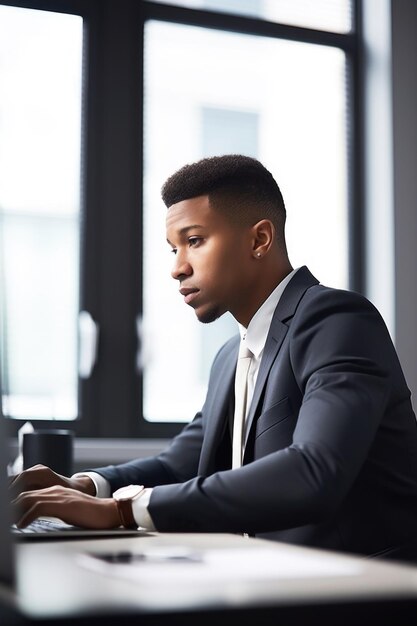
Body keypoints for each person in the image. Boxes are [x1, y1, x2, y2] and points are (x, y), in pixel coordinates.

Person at [10, 154, 417, 561]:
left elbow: (313, 471)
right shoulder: (230, 357)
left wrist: (122, 510)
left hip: (361, 593)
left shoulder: (336, 320)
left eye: (195, 241)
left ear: (260, 240)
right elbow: (179, 464)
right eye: (173, 249)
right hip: (263, 579)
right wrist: (86, 485)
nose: (177, 268)